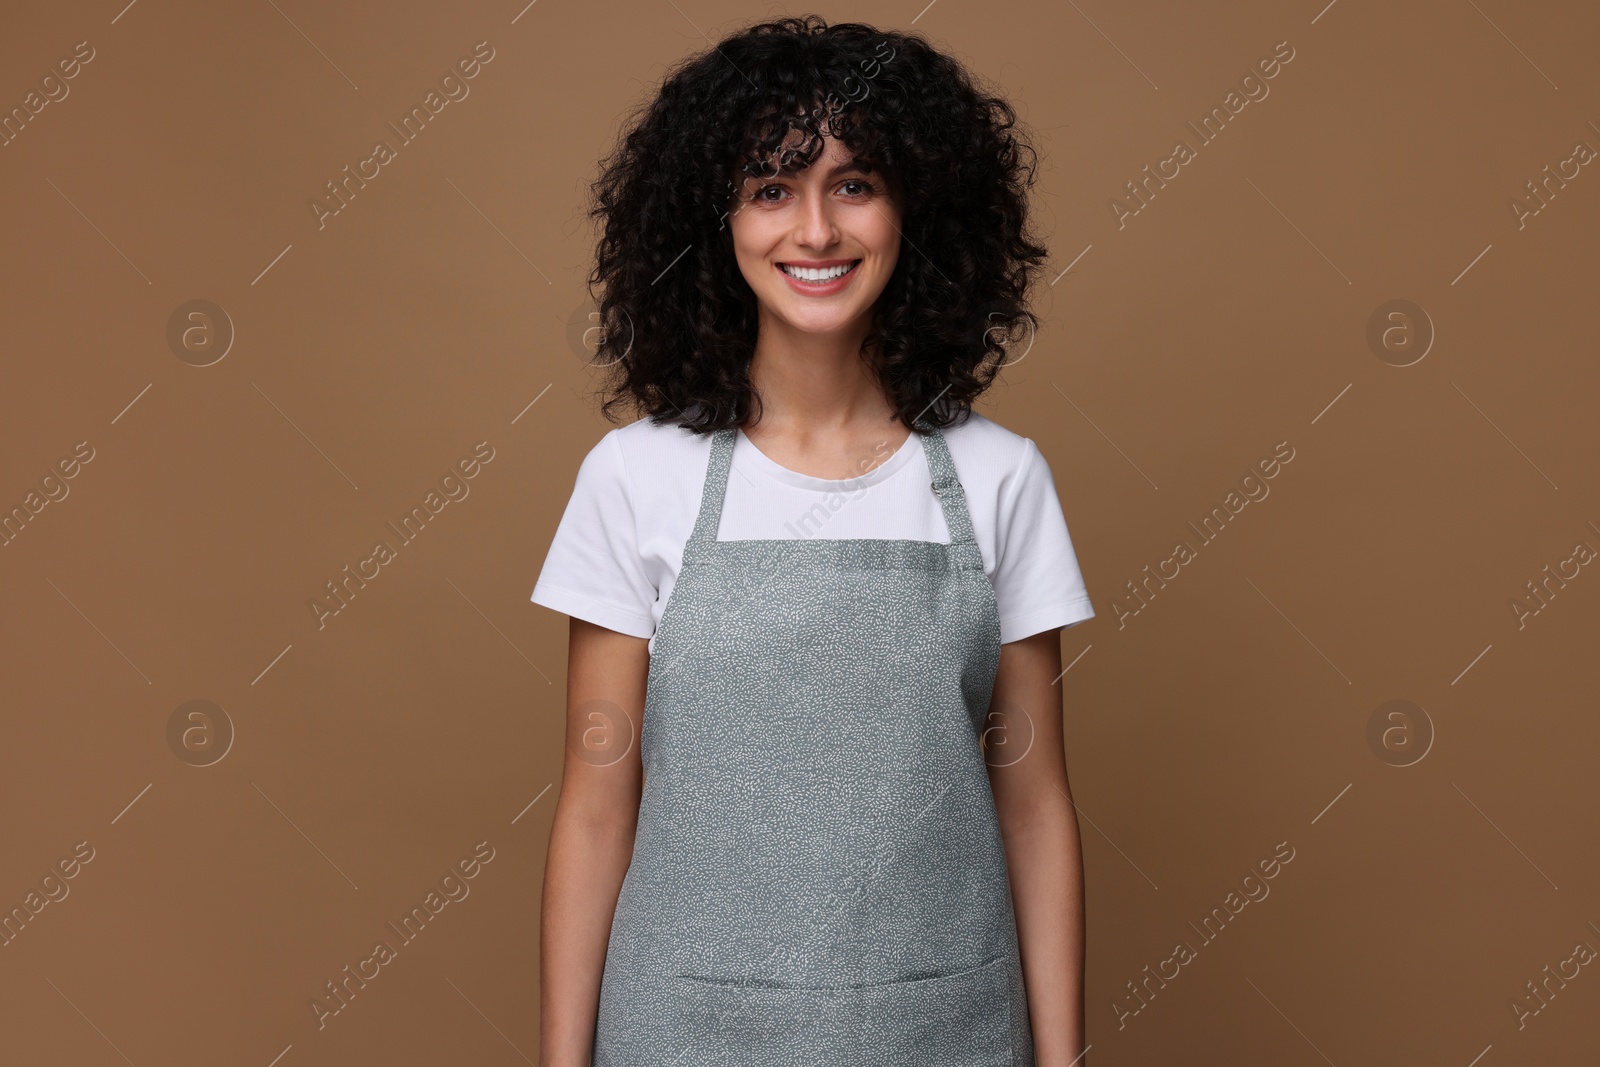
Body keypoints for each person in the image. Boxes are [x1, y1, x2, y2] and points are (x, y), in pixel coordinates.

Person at [533, 15, 1093, 1066]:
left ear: (916, 209)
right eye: (770, 188)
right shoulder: (633, 478)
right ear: (714, 222)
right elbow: (597, 803)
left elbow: (1032, 801)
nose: (816, 231)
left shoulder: (998, 477)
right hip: (684, 1029)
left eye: (853, 184)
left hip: (944, 1027)